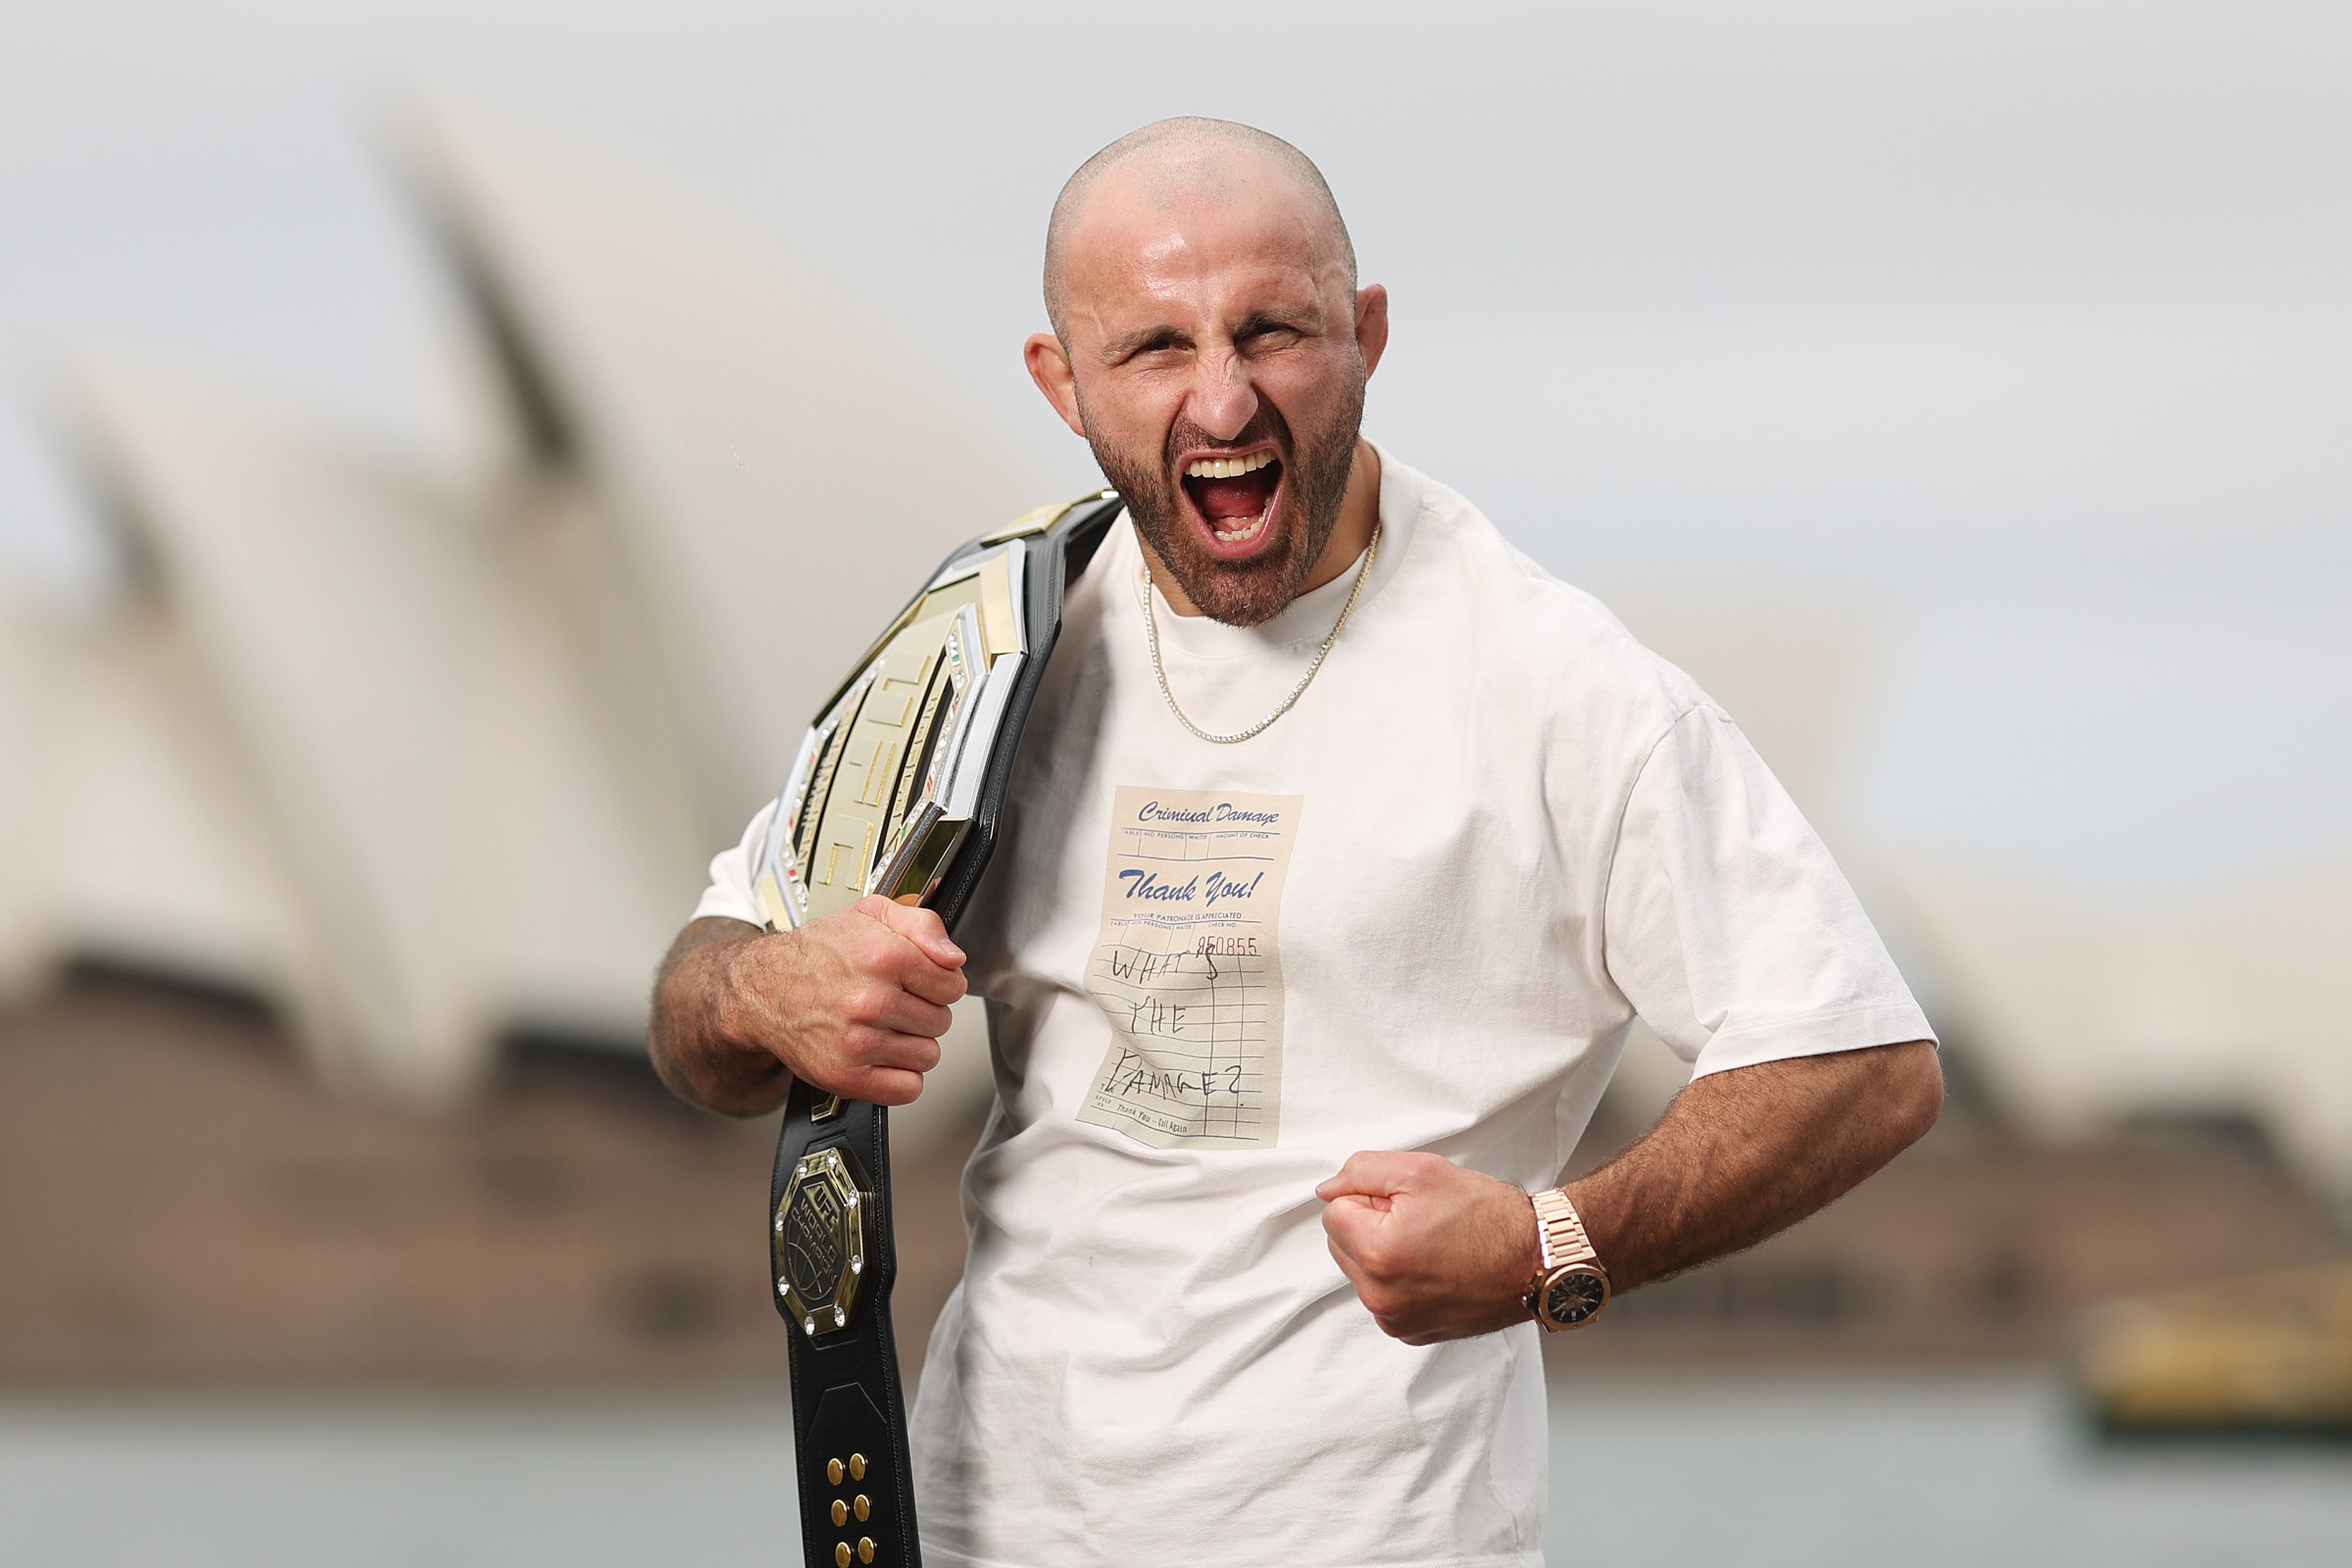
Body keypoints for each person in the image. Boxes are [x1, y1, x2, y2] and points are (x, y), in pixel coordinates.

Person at [650, 117, 1942, 1568]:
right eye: (1152, 348)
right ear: (1058, 381)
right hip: (971, 1532)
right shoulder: (990, 650)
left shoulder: (1551, 682)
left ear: (1367, 334)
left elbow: (1861, 1064)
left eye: (1272, 330)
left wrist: (1549, 1251)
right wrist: (770, 991)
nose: (1222, 399)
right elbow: (701, 1001)